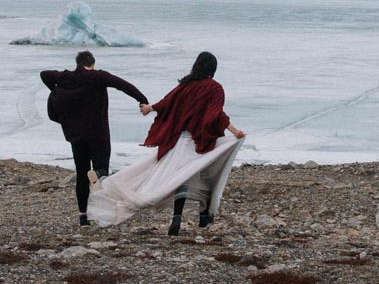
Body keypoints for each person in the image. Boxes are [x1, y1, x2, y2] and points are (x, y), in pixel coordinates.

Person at [88, 51, 247, 235]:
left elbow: (167, 102)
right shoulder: (215, 88)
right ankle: (204, 217)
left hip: (180, 142)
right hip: (199, 143)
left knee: (175, 179)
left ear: (196, 65)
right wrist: (235, 132)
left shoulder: (185, 86)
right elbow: (216, 114)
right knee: (206, 174)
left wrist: (150, 108)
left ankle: (176, 216)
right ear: (213, 68)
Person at [40, 51, 150, 225]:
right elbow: (123, 85)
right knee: (102, 173)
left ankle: (83, 216)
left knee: (81, 175)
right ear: (92, 64)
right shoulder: (98, 76)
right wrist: (142, 100)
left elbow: (44, 74)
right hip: (98, 135)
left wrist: (56, 91)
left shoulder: (65, 77)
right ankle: (100, 194)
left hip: (76, 136)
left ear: (78, 63)